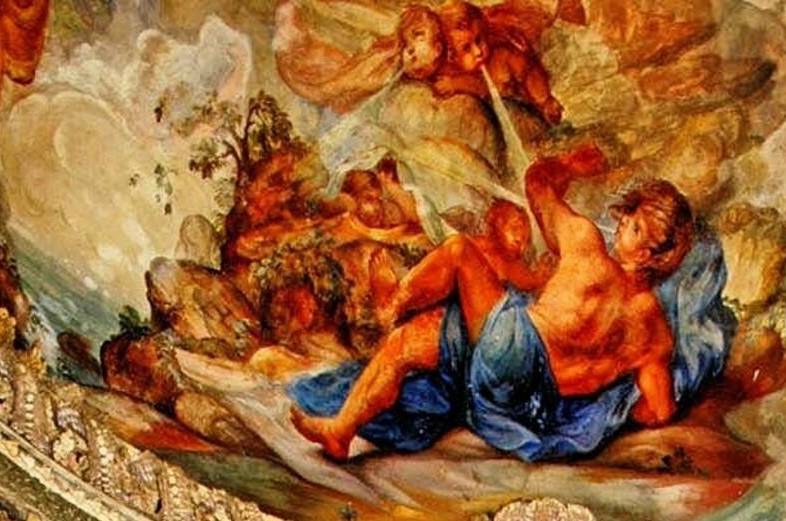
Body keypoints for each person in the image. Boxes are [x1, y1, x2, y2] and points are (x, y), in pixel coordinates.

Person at [289, 143, 732, 464]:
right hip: (528, 405)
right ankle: (340, 433)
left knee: (459, 252)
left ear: (649, 250)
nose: (621, 226)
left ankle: (394, 299)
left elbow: (536, 183)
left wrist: (568, 164)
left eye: (632, 225)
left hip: (512, 351)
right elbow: (658, 410)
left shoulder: (586, 246)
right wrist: (603, 403)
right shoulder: (654, 330)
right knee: (410, 344)